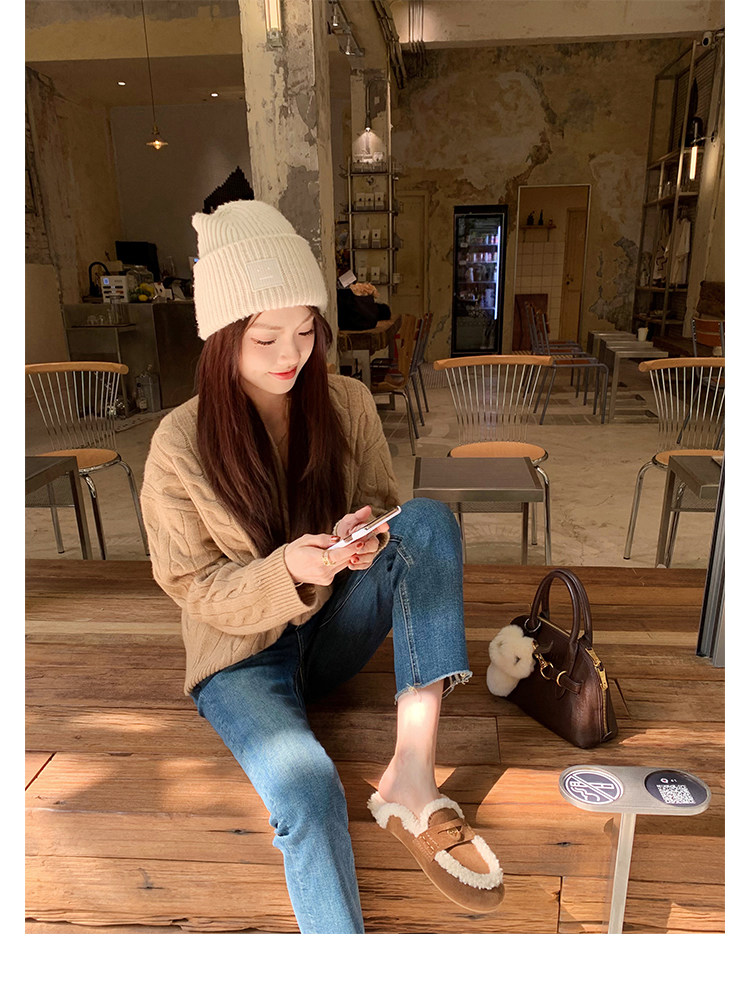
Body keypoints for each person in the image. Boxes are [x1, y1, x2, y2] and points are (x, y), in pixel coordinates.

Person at [140, 200, 503, 934]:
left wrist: (358, 533)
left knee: (427, 520)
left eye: (306, 330)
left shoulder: (346, 402)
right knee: (308, 794)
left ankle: (411, 775)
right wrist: (288, 570)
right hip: (240, 658)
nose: (292, 354)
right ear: (221, 339)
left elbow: (385, 511)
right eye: (265, 337)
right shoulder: (178, 443)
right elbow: (193, 587)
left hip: (330, 630)